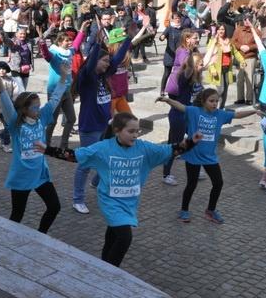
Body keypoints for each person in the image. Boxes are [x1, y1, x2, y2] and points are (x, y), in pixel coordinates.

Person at [61, 112, 200, 267]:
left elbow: (170, 150)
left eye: (137, 131)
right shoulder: (104, 148)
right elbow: (74, 155)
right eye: (131, 131)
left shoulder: (143, 148)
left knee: (113, 234)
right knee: (124, 237)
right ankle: (110, 271)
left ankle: (103, 264)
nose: (135, 135)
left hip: (129, 203)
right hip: (110, 202)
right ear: (117, 131)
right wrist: (46, 149)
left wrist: (190, 142)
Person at [157, 89, 264, 224]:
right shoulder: (194, 111)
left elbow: (237, 114)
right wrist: (167, 100)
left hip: (209, 157)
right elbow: (180, 106)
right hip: (193, 155)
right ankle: (184, 210)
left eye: (216, 101)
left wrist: (254, 111)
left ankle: (210, 210)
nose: (214, 104)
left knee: (218, 183)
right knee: (191, 184)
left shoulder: (220, 114)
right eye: (211, 101)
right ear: (203, 101)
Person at [0, 63, 70, 234]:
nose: (38, 109)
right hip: (21, 176)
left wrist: (64, 77)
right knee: (17, 214)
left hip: (40, 174)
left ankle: (40, 235)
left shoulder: (42, 117)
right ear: (24, 109)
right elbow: (7, 106)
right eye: (34, 107)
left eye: (38, 106)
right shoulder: (16, 124)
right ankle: (8, 240)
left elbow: (55, 99)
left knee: (54, 207)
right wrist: (0, 84)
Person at [72, 27, 133, 214]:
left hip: (105, 125)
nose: (108, 64)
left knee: (108, 158)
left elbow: (116, 59)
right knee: (86, 164)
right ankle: (77, 199)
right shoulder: (87, 78)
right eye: (104, 61)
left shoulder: (104, 76)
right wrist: (98, 44)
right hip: (90, 127)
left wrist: (129, 39)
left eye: (108, 61)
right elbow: (90, 65)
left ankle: (97, 182)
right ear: (95, 60)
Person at [160, 51, 210, 186]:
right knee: (174, 146)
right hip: (178, 116)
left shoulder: (198, 78)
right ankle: (166, 174)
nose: (202, 66)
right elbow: (190, 68)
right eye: (200, 64)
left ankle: (195, 169)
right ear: (193, 65)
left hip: (189, 116)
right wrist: (191, 59)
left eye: (202, 64)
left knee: (197, 140)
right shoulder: (185, 76)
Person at [39, 19, 89, 149]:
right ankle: (46, 143)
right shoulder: (55, 53)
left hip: (66, 90)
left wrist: (82, 29)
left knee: (71, 119)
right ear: (60, 42)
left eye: (69, 40)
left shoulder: (69, 52)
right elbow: (46, 55)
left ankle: (64, 144)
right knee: (52, 121)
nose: (70, 42)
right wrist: (42, 44)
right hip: (55, 91)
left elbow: (77, 44)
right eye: (67, 41)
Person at [204, 24, 245, 109]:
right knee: (221, 90)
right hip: (217, 70)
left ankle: (221, 109)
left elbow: (235, 52)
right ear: (216, 31)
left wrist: (242, 60)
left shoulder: (228, 41)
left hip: (227, 69)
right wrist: (212, 69)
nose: (221, 31)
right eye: (219, 29)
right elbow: (209, 56)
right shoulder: (213, 41)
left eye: (223, 29)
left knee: (225, 91)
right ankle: (209, 104)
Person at [231, 18, 259, 105]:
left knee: (249, 78)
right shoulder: (238, 30)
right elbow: (233, 41)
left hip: (250, 57)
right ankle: (240, 98)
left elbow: (259, 43)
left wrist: (249, 47)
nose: (247, 21)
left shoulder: (256, 31)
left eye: (248, 19)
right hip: (240, 57)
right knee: (239, 79)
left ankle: (249, 98)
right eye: (245, 19)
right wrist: (240, 46)